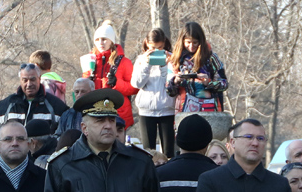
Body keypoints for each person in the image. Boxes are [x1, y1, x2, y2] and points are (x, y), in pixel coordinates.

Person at [0, 63, 67, 145]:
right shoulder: (5, 105)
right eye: (25, 80)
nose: (29, 84)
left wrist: (51, 149)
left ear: (39, 79)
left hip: (45, 156)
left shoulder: (56, 106)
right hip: (12, 156)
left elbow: (65, 132)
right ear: (20, 80)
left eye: (33, 79)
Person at [166, 22, 228, 114]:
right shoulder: (175, 60)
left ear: (201, 41)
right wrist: (176, 81)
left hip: (209, 110)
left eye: (195, 42)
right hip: (184, 110)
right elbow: (169, 90)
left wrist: (209, 83)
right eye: (188, 42)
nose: (191, 46)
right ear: (182, 41)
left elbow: (224, 84)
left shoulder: (211, 58)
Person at [132, 28, 176, 157]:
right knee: (148, 153)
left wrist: (164, 65)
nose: (156, 51)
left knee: (168, 152)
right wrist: (146, 65)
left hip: (167, 108)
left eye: (160, 47)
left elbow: (169, 84)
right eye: (152, 48)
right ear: (146, 44)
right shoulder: (141, 59)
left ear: (165, 44)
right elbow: (136, 84)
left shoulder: (171, 58)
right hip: (146, 109)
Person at [87, 22, 138, 129]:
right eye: (97, 39)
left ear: (111, 41)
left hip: (118, 113)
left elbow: (134, 88)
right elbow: (82, 89)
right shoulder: (89, 61)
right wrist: (86, 82)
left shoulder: (124, 62)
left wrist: (117, 83)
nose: (101, 42)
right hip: (95, 111)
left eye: (104, 39)